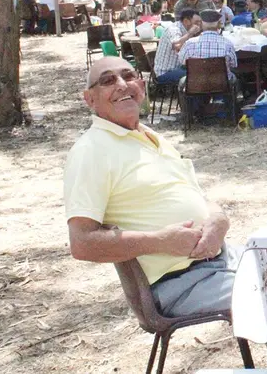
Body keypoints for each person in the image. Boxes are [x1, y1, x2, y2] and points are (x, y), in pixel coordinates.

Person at [64, 56, 240, 320]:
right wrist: (160, 241)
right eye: (108, 80)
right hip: (180, 283)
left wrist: (218, 221)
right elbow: (82, 243)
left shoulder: (148, 136)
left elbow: (195, 194)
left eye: (129, 75)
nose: (122, 84)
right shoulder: (91, 151)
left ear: (142, 85)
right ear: (90, 99)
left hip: (221, 260)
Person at [153, 8, 201, 84]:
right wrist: (190, 33)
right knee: (196, 75)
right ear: (186, 21)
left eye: (200, 23)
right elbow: (177, 46)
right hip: (165, 73)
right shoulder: (174, 29)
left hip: (178, 69)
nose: (199, 25)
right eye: (196, 23)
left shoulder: (184, 30)